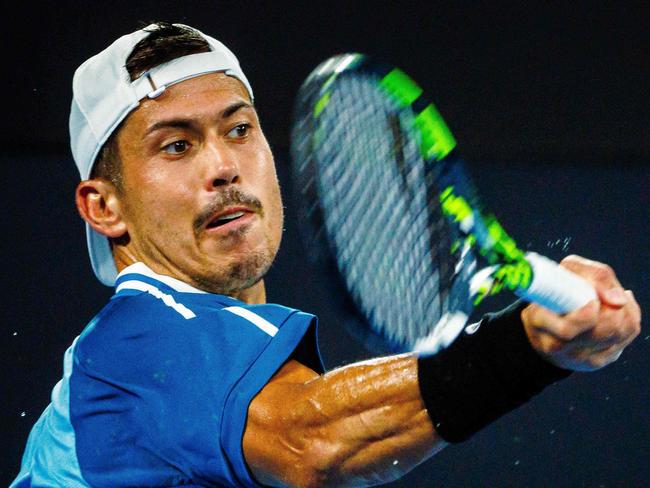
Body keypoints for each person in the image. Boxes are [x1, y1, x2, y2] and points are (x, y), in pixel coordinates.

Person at [12, 22, 640, 488]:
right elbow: (311, 436)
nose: (225, 166)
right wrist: (525, 345)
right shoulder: (135, 345)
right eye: (176, 146)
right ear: (104, 207)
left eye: (238, 129)